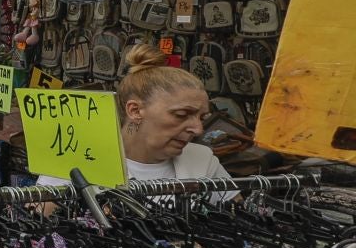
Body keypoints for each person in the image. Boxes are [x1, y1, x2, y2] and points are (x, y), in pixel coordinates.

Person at [36, 44, 229, 186]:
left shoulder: (202, 161)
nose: (198, 129)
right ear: (135, 110)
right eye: (181, 114)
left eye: (202, 117)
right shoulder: (73, 166)